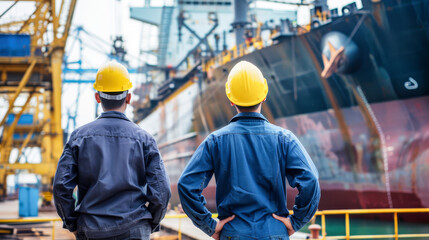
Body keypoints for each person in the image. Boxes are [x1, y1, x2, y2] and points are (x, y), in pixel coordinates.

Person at [177, 61, 320, 240]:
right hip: (274, 233)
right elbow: (311, 180)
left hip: (233, 233)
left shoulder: (215, 141)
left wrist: (210, 226)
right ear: (264, 95)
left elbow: (186, 185)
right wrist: (296, 221)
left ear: (231, 99)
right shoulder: (284, 138)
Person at [53, 61, 171, 240]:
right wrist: (149, 223)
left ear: (97, 97)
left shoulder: (78, 138)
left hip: (91, 230)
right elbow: (162, 191)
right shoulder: (145, 139)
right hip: (134, 229)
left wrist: (72, 223)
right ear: (129, 98)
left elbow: (61, 186)